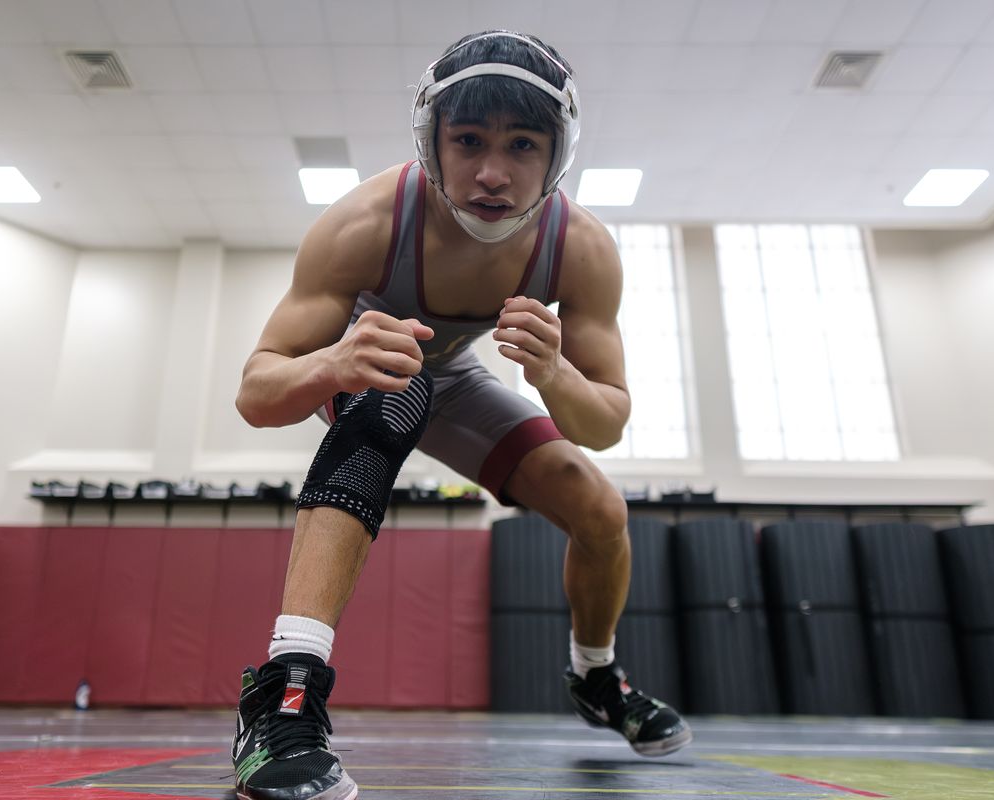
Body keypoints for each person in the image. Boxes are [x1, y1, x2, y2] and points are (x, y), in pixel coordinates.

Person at [231, 30, 690, 800]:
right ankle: (285, 697)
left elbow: (605, 421)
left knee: (600, 508)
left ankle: (597, 678)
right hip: (374, 367)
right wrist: (333, 364)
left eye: (522, 145)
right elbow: (257, 393)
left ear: (557, 155)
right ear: (431, 143)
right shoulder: (364, 223)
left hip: (461, 382)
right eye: (468, 140)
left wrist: (552, 373)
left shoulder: (581, 248)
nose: (491, 173)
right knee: (385, 404)